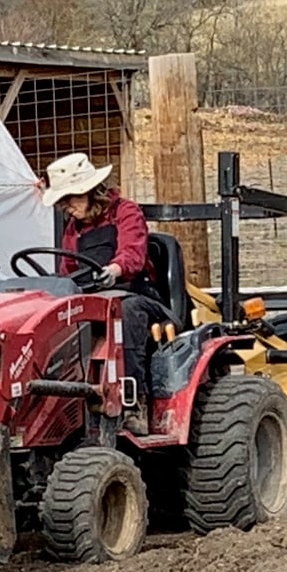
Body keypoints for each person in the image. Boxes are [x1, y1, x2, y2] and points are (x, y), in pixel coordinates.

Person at [41, 152, 178, 434]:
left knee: (123, 314)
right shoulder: (73, 230)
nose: (67, 207)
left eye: (70, 199)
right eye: (63, 201)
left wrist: (113, 270)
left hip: (136, 295)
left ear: (90, 191)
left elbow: (133, 253)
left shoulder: (126, 212)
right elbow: (66, 269)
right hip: (92, 300)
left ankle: (133, 403)